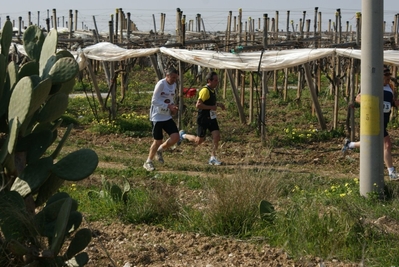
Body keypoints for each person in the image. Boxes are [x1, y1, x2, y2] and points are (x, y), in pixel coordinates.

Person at [342, 67, 399, 180]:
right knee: (387, 145)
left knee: (372, 143)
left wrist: (396, 103)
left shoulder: (390, 88)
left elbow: (391, 102)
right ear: (380, 77)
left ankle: (349, 145)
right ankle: (391, 172)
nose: (388, 80)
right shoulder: (372, 86)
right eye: (386, 78)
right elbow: (358, 98)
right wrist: (369, 103)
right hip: (374, 120)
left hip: (384, 121)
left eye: (389, 78)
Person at [178, 71, 225, 165]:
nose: (217, 82)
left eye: (217, 80)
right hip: (203, 118)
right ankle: (183, 135)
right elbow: (198, 105)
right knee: (199, 141)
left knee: (217, 136)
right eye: (215, 80)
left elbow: (209, 103)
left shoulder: (212, 90)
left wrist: (218, 105)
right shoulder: (205, 91)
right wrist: (211, 107)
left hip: (211, 118)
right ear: (209, 81)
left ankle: (213, 157)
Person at [143, 68, 180, 171]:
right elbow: (154, 101)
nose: (174, 80)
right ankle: (148, 162)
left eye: (176, 78)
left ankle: (160, 150)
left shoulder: (174, 85)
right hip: (157, 116)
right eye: (172, 77)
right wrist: (168, 106)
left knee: (175, 136)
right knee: (157, 140)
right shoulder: (161, 84)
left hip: (166, 116)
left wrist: (173, 107)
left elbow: (170, 99)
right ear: (167, 76)